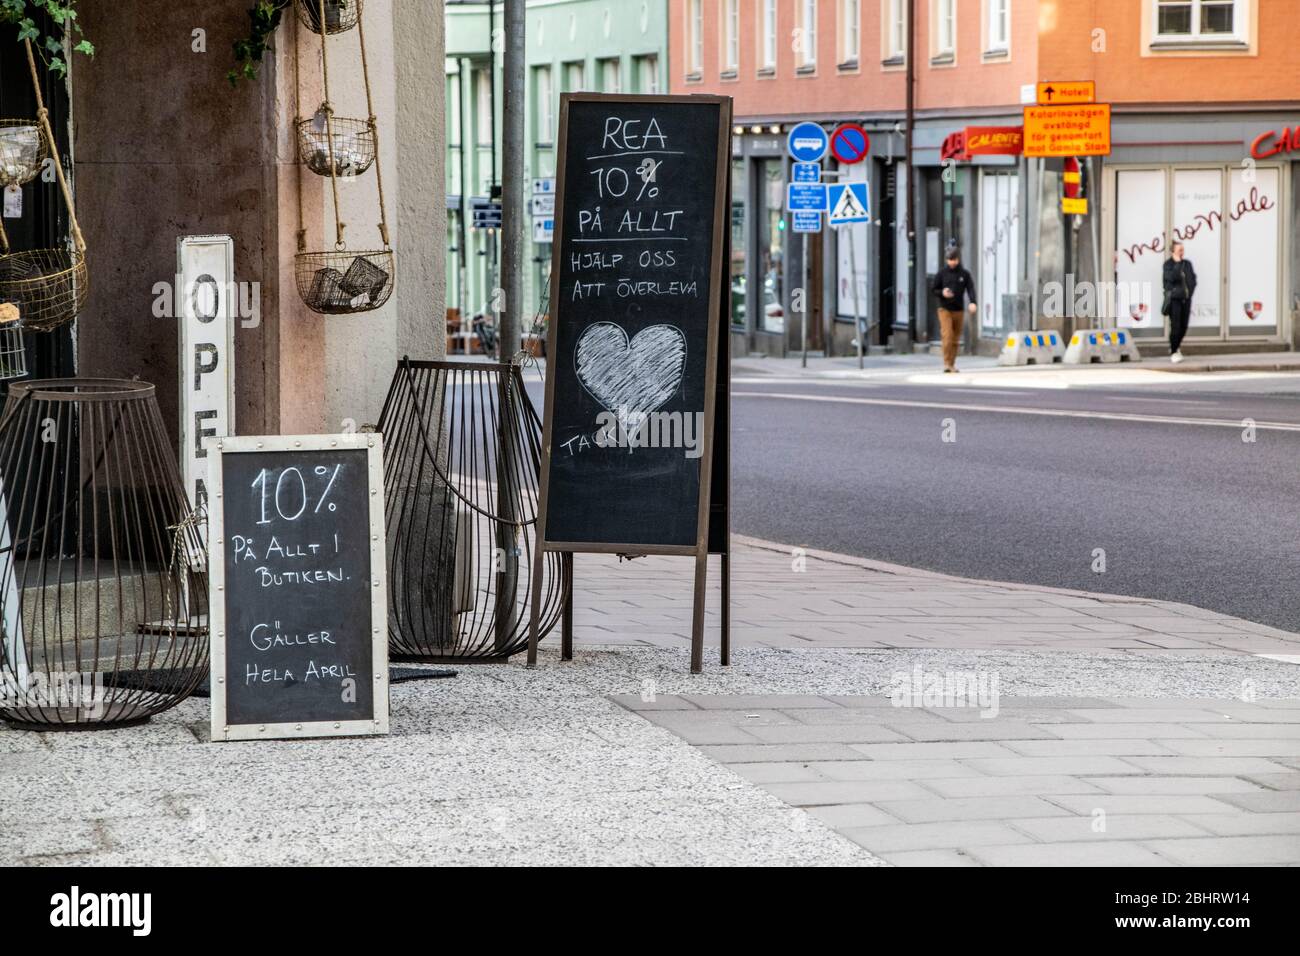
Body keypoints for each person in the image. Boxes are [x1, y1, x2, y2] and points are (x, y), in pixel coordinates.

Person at [932, 244, 978, 373]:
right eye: (949, 259)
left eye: (954, 259)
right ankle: (946, 363)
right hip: (944, 308)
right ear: (947, 260)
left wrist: (973, 302)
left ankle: (952, 364)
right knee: (947, 335)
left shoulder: (964, 274)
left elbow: (970, 288)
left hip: (959, 309)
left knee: (955, 338)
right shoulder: (942, 273)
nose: (952, 262)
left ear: (958, 259)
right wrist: (942, 293)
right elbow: (934, 289)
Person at [1162, 241, 1197, 364]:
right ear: (1173, 252)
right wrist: (1176, 264)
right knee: (1175, 326)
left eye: (1183, 249)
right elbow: (1171, 278)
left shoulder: (1187, 264)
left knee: (1184, 326)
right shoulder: (1168, 265)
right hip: (1174, 300)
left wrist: (1190, 292)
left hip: (1186, 299)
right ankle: (1174, 351)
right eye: (1179, 250)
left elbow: (1192, 279)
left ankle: (1175, 346)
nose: (1182, 252)